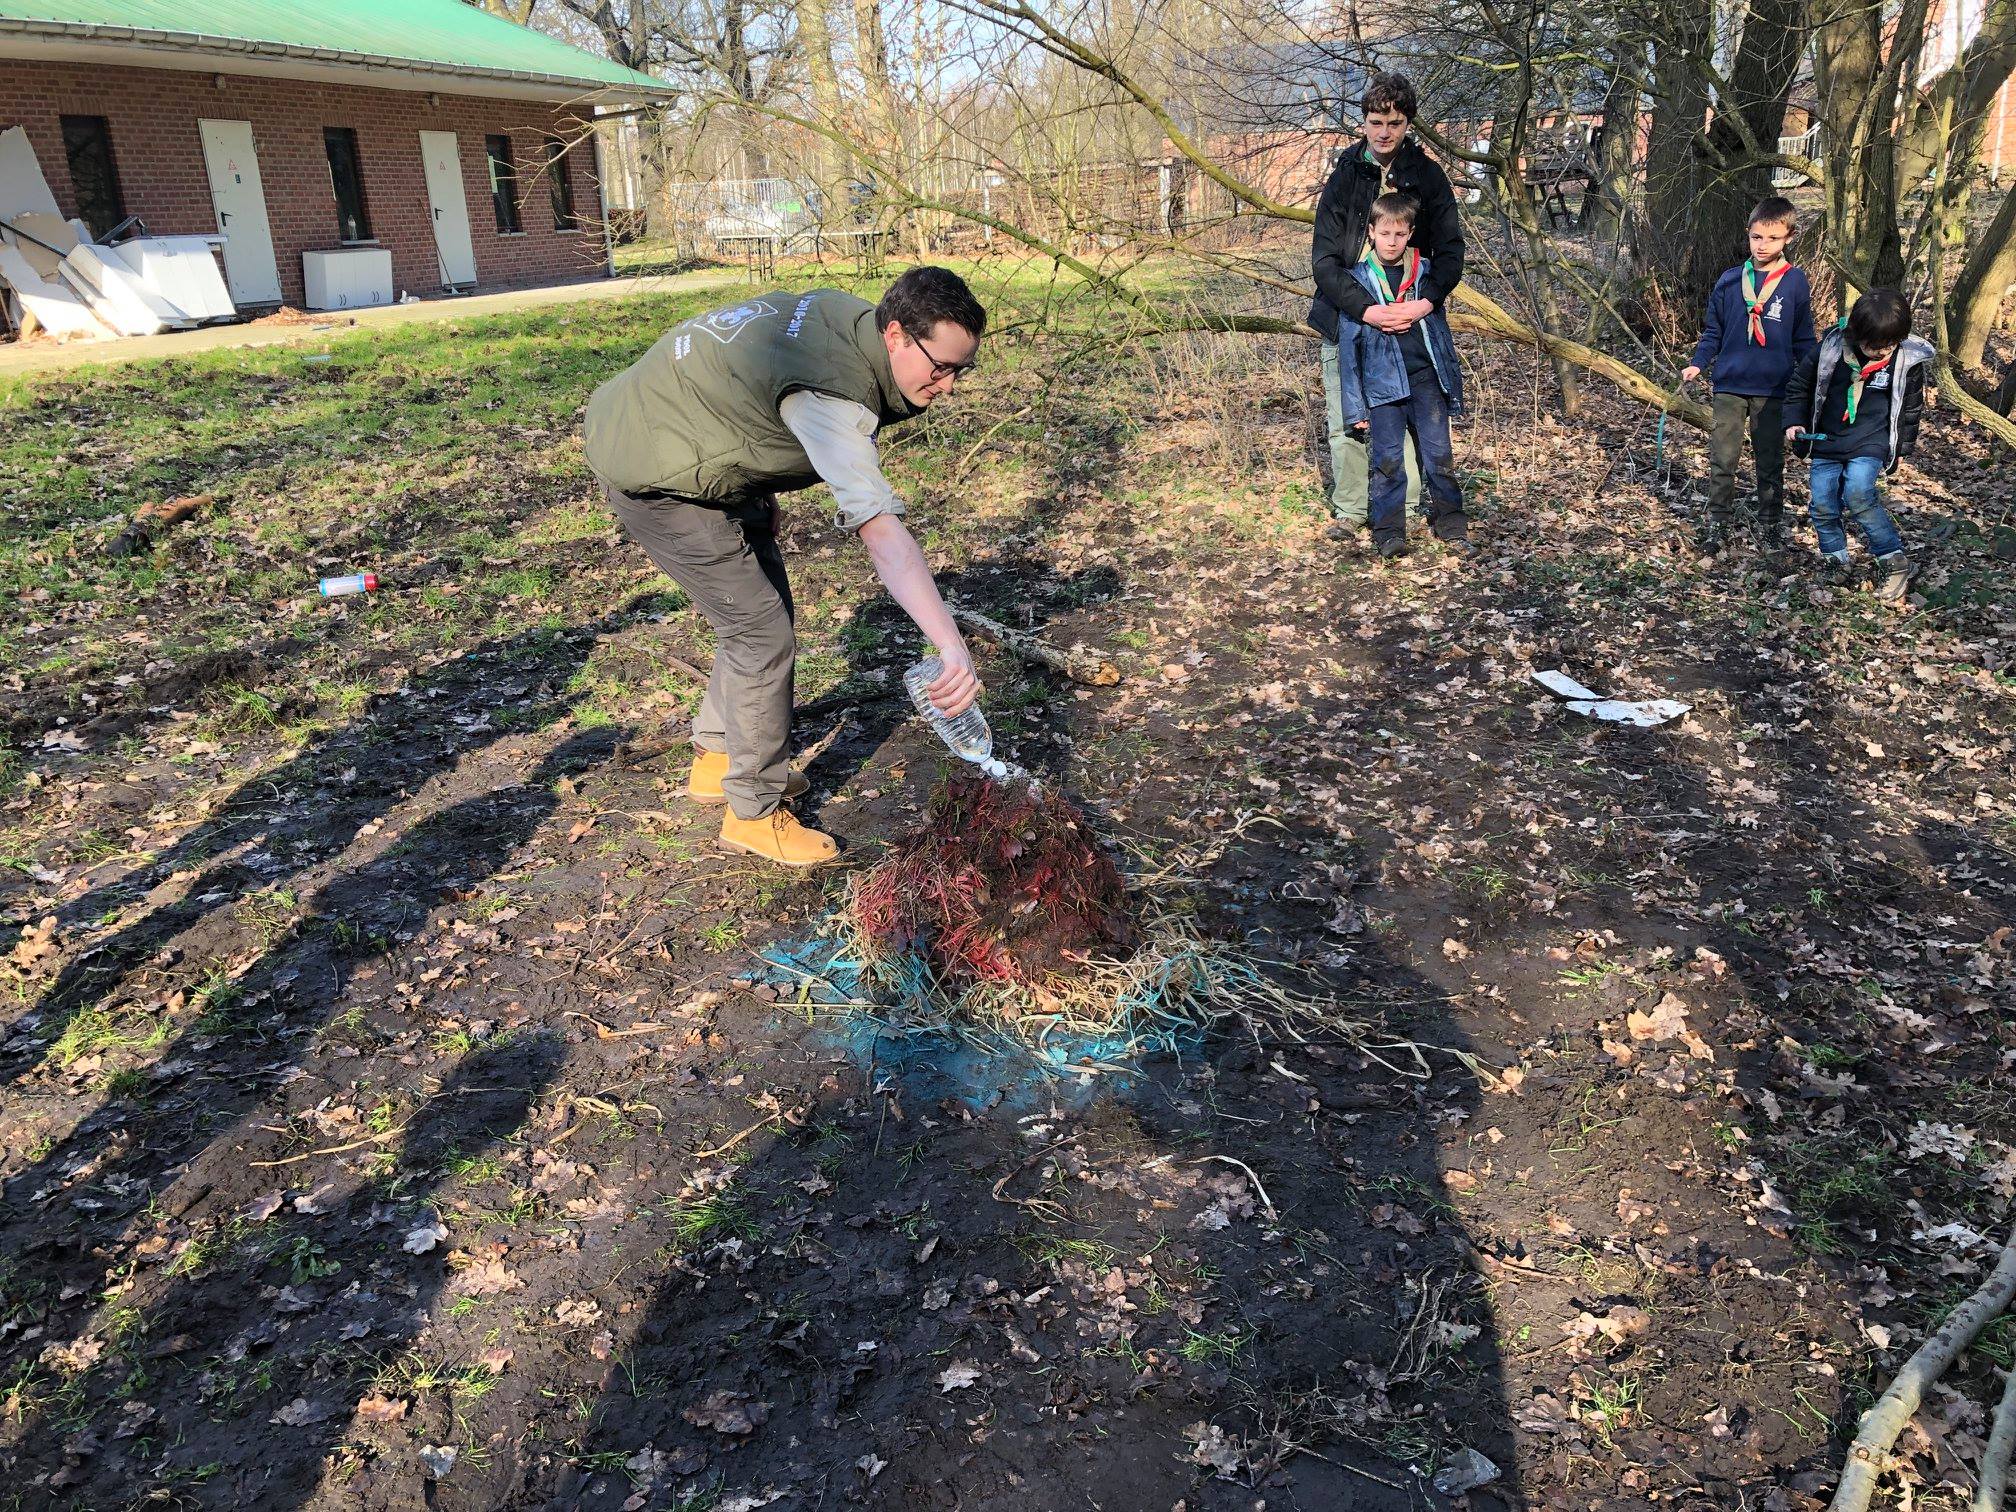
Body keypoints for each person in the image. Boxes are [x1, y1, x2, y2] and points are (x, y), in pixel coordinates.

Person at [582, 268, 986, 868]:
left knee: (758, 616)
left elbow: (747, 392)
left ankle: (720, 759)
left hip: (680, 429)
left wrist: (758, 489)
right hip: (653, 470)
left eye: (962, 369)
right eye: (942, 366)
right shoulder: (830, 395)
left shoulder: (853, 321)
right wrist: (951, 647)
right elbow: (883, 535)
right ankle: (753, 812)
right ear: (897, 334)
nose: (949, 385)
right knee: (760, 634)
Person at [1308, 71, 1465, 549]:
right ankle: (1354, 508)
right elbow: (1324, 262)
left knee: (1416, 423)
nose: (1383, 132)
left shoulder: (1427, 176)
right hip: (1350, 317)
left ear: (1407, 123)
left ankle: (1408, 506)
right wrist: (1367, 312)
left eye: (1394, 123)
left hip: (1412, 317)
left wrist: (1424, 302)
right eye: (1375, 121)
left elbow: (1451, 252)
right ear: (1364, 121)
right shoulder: (1345, 177)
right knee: (1348, 421)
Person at [1680, 196, 1818, 555]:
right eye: (1757, 237)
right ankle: (1717, 523)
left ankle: (1770, 524)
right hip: (1730, 384)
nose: (1763, 245)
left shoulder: (1795, 283)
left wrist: (1814, 377)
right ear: (1748, 235)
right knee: (1722, 458)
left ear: (1788, 237)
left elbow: (1804, 338)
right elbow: (1713, 331)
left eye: (1772, 239)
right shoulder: (1729, 281)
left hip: (1774, 388)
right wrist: (1699, 362)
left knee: (1769, 460)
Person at [1334, 192, 1468, 560]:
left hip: (1427, 381)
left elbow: (1442, 337)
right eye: (1385, 233)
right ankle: (1390, 531)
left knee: (1439, 455)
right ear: (1371, 232)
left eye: (1400, 234)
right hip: (1382, 387)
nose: (1392, 241)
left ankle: (1451, 522)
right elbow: (1349, 351)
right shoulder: (1356, 282)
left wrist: (1451, 386)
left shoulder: (1426, 275)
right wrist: (1354, 407)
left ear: (1410, 234)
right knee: (1388, 461)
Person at [1781, 287, 1932, 602]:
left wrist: (1899, 451)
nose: (1880, 352)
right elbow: (1800, 385)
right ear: (1856, 332)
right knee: (1822, 503)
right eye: (1873, 345)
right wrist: (1793, 421)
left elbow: (1910, 410)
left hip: (1870, 441)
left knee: (1859, 493)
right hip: (1828, 440)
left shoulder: (1905, 361)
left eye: (1888, 346)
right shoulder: (1831, 349)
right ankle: (1836, 560)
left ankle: (1892, 559)